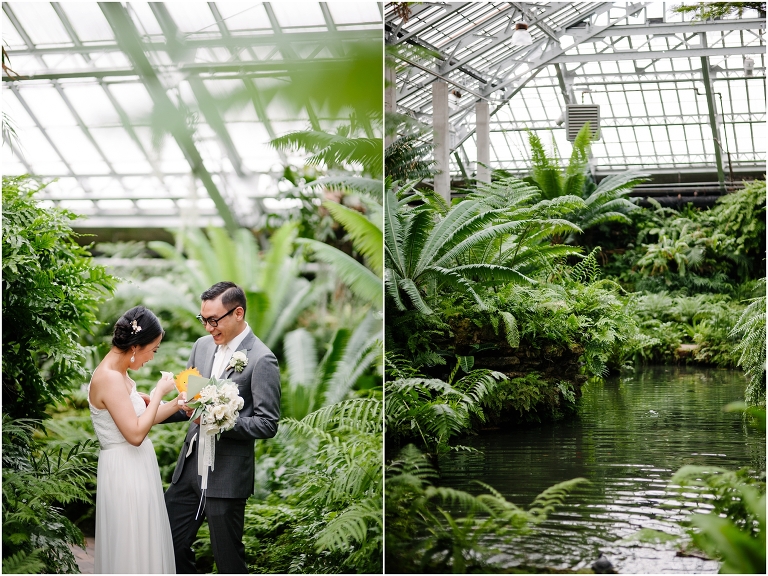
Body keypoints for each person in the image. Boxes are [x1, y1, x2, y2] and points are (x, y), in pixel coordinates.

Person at [164, 281, 281, 573]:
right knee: (168, 545)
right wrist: (148, 410)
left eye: (214, 320)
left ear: (238, 313)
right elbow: (190, 406)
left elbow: (268, 423)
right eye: (203, 319)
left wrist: (220, 420)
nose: (207, 328)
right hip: (189, 469)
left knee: (227, 558)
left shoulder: (261, 359)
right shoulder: (202, 347)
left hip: (226, 476)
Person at [87, 305, 183, 574]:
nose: (152, 357)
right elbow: (135, 434)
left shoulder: (121, 374)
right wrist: (158, 391)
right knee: (131, 542)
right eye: (153, 350)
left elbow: (142, 418)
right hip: (124, 470)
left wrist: (175, 403)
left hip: (138, 467)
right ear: (135, 347)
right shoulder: (108, 378)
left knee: (144, 538)